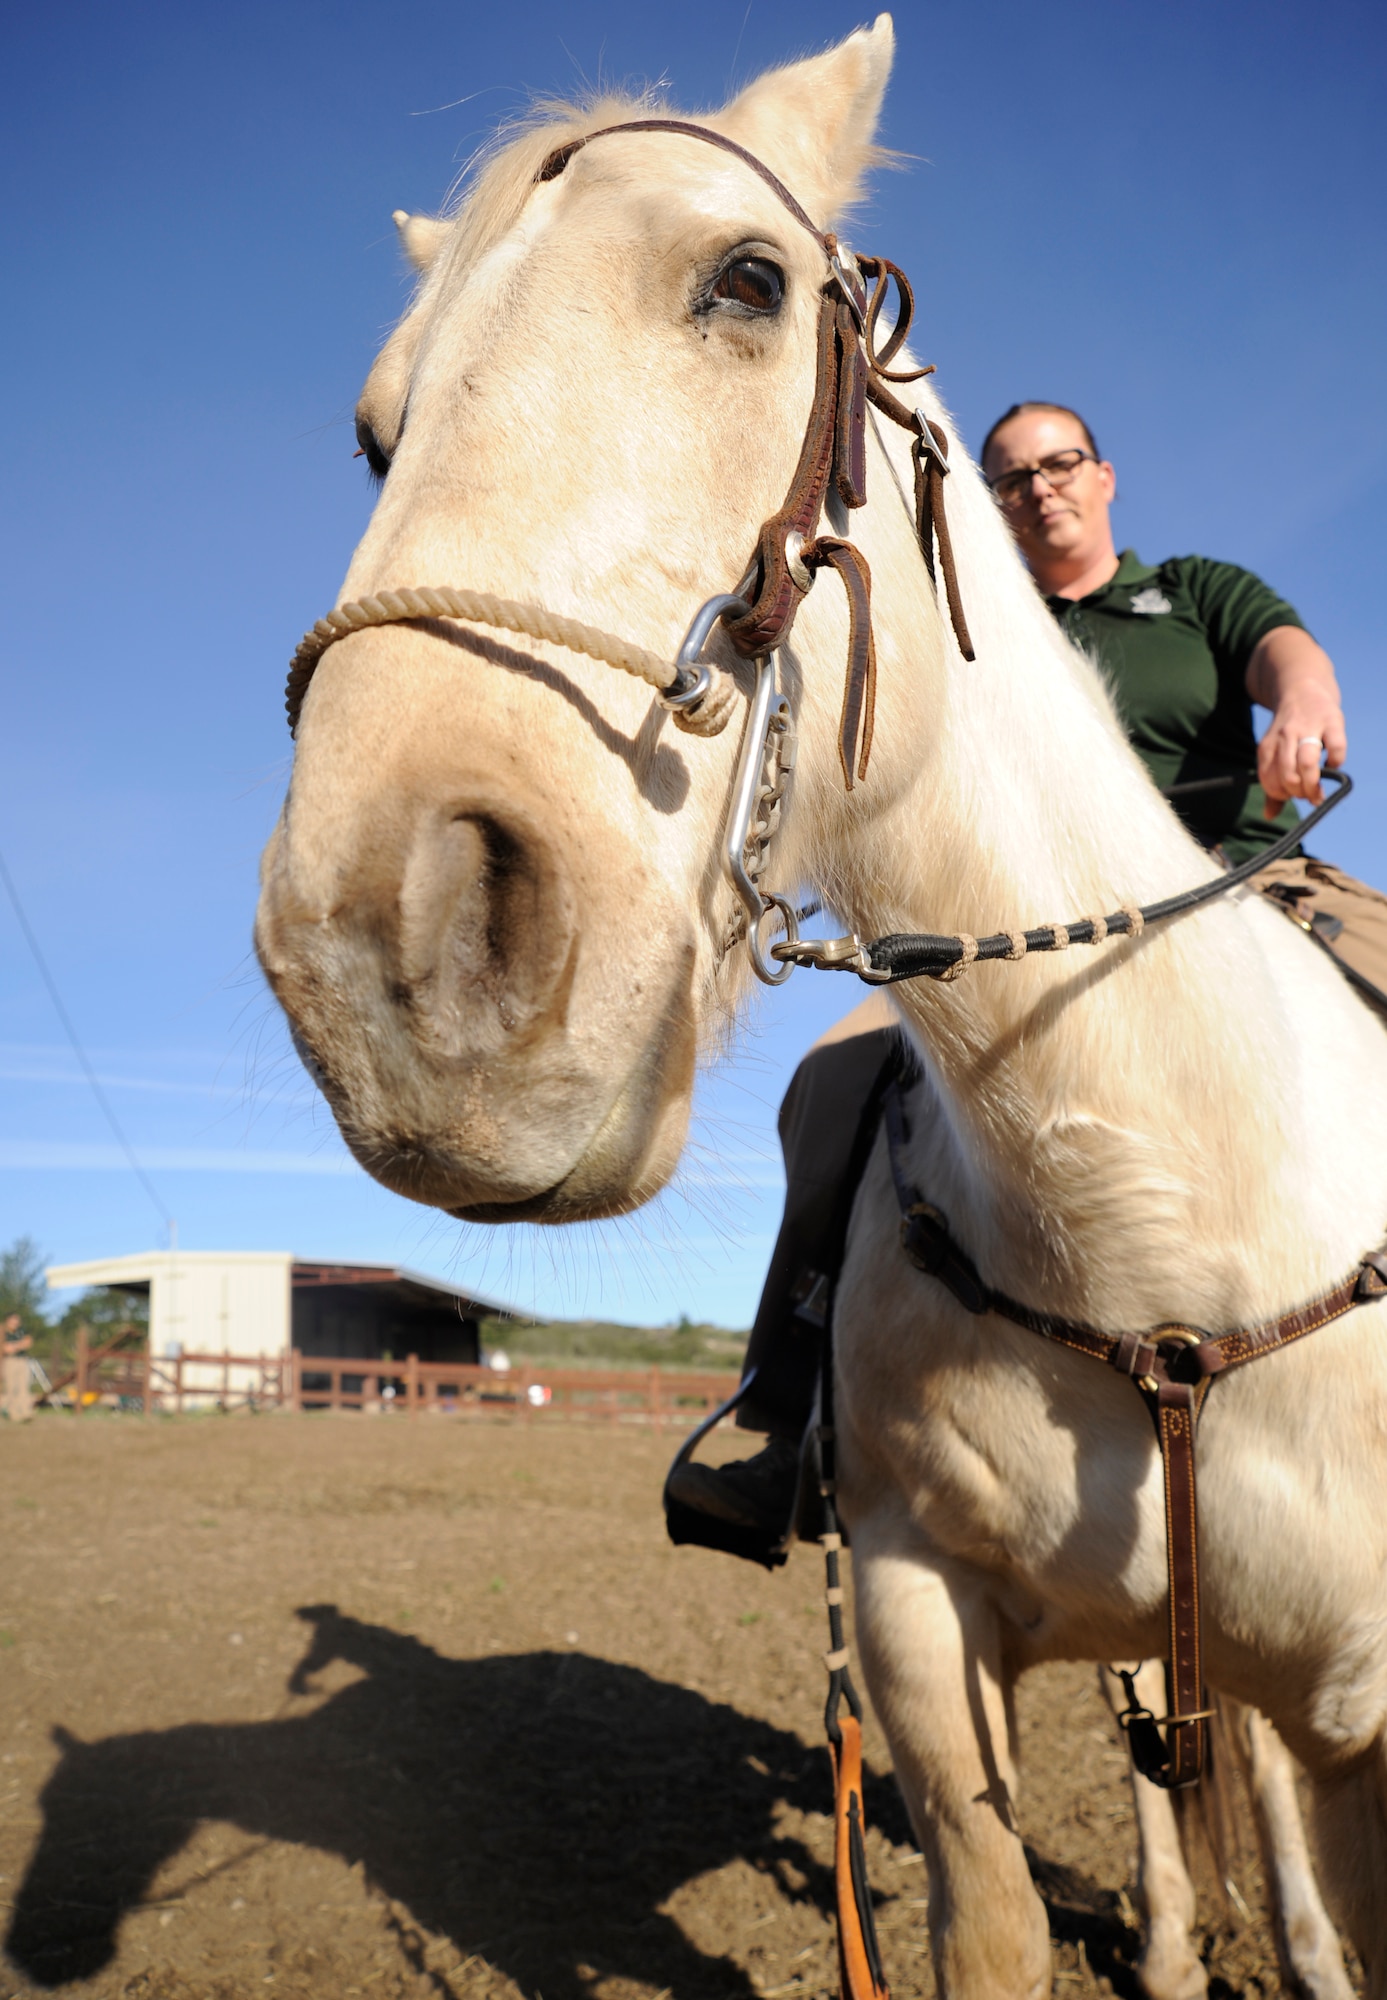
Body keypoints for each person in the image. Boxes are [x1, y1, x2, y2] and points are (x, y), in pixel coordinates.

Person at [667, 401, 1387, 1552]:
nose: (1036, 487)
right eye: (1006, 479)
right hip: (1030, 934)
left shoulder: (1192, 590)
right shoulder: (985, 644)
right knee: (825, 1082)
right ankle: (789, 1403)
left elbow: (1279, 647)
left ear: (1103, 475)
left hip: (1250, 883)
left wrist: (1305, 697)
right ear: (988, 507)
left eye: (1057, 464)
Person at [3, 1313, 34, 1425]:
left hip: (23, 1360)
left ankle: (26, 1413)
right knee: (11, 1388)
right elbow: (7, 1349)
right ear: (8, 1320)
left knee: (24, 1387)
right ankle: (13, 1413)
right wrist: (20, 1345)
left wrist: (15, 1345)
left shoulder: (21, 1331)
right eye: (13, 1320)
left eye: (17, 1320)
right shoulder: (4, 1332)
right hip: (10, 1361)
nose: (15, 1323)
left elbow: (28, 1342)